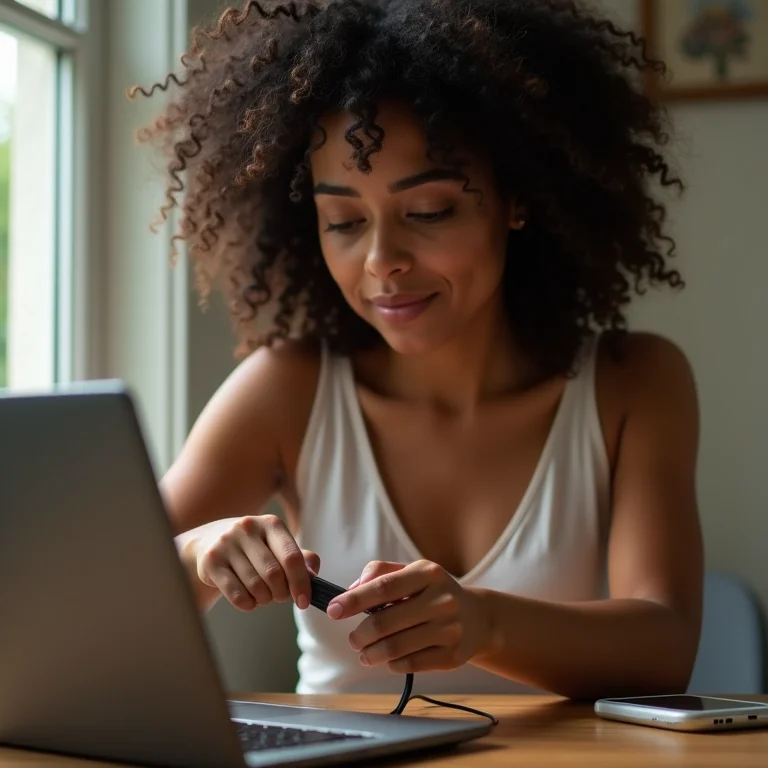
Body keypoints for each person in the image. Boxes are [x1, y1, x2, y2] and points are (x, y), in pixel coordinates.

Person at [134, 0, 704, 698]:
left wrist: (484, 623)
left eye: (429, 211)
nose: (382, 261)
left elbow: (664, 644)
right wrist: (195, 554)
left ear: (516, 198)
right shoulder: (286, 389)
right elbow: (97, 607)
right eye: (342, 220)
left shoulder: (632, 382)